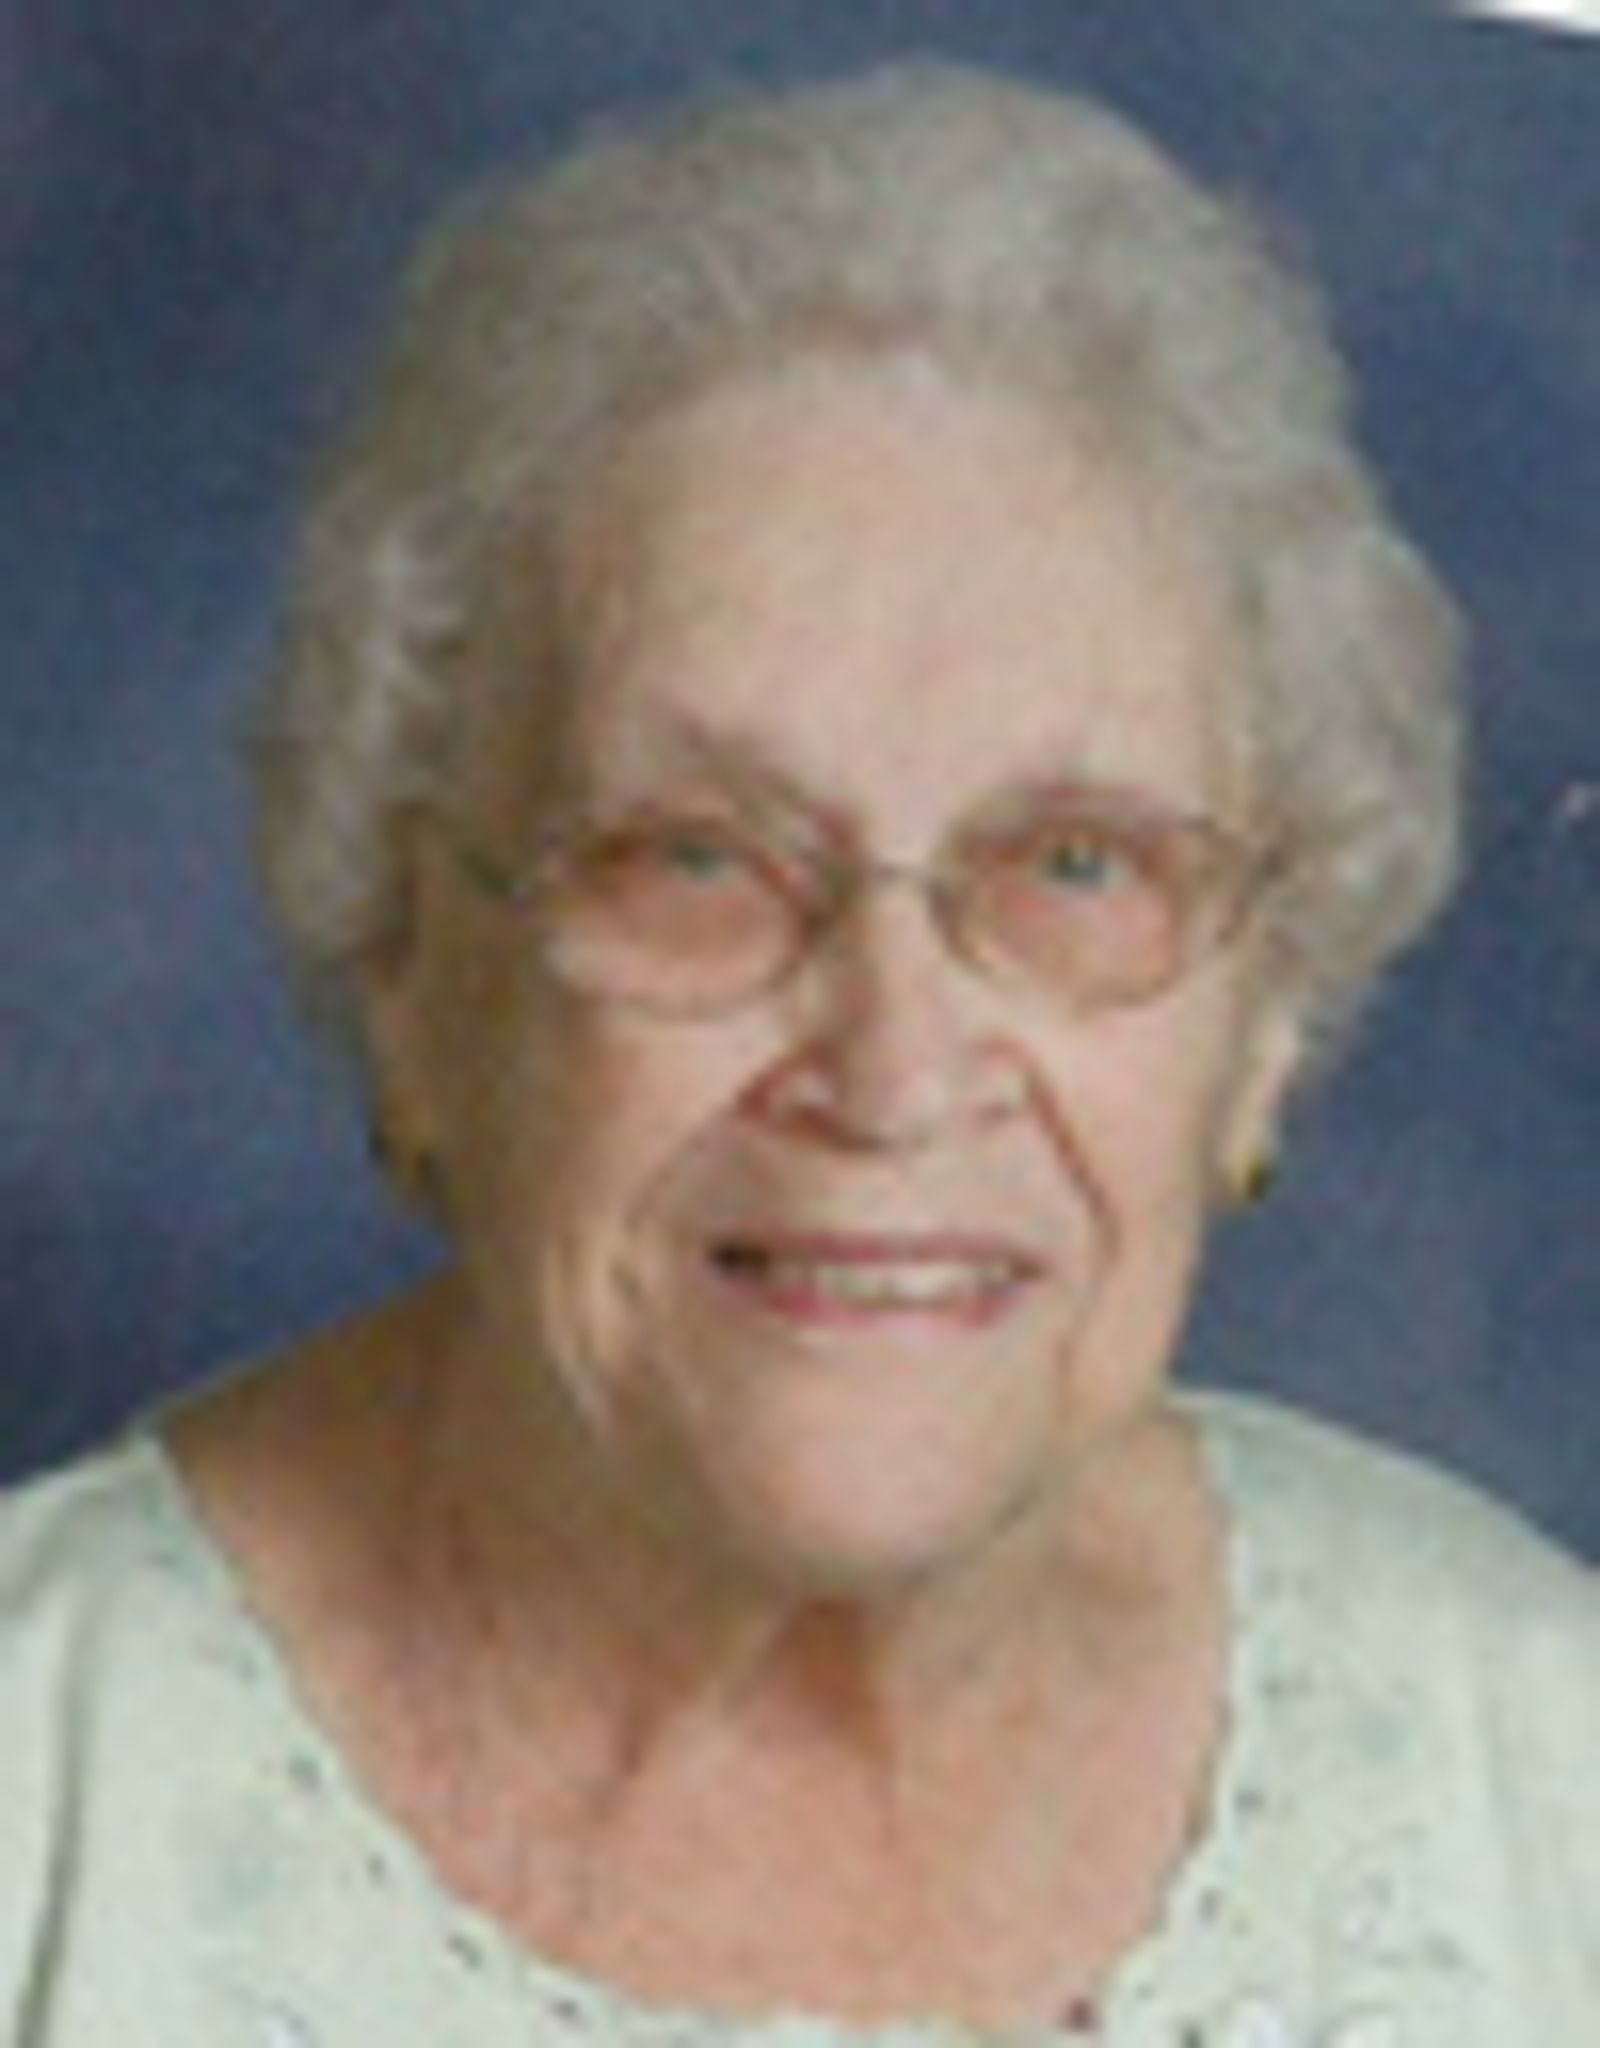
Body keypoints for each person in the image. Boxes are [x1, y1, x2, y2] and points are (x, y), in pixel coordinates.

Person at [2, 59, 1595, 2046]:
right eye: (696, 860)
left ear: (1262, 1021)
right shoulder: (42, 1811)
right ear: (408, 964)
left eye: (1074, 864)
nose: (894, 1071)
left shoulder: (1537, 1769)